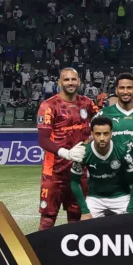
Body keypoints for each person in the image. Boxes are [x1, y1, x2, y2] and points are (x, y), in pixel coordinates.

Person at [36, 68, 98, 230]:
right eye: (66, 80)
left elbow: (104, 120)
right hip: (54, 172)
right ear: (59, 82)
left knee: (77, 216)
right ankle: (39, 253)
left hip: (79, 171)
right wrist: (66, 153)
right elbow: (42, 139)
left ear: (79, 81)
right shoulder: (48, 105)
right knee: (48, 217)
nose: (70, 83)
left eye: (73, 79)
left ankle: (73, 254)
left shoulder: (87, 103)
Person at [69, 116, 133, 218]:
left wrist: (131, 208)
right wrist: (85, 210)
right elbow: (74, 182)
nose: (102, 138)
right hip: (95, 198)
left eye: (106, 134)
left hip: (120, 196)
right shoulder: (83, 152)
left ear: (111, 133)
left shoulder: (123, 150)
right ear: (92, 134)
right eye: (98, 134)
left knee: (131, 226)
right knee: (85, 227)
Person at [97, 72, 133, 144]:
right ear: (116, 90)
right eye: (122, 88)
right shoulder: (103, 114)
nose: (125, 92)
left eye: (129, 88)